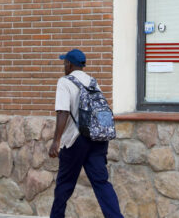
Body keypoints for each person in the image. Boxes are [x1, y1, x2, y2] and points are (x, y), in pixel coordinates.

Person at [48, 49, 124, 218]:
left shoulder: (65, 82)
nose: (63, 66)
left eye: (64, 63)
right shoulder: (92, 82)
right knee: (101, 182)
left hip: (76, 140)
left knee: (64, 184)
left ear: (68, 64)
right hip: (98, 139)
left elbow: (63, 112)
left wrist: (56, 141)